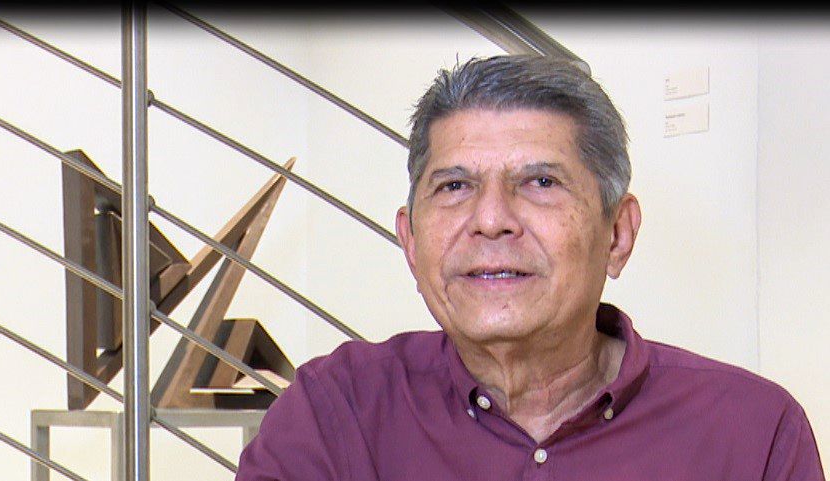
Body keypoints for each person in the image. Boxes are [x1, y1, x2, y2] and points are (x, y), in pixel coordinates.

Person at [235, 55, 825, 480]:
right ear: (410, 241)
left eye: (540, 182)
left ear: (617, 234)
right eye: (455, 185)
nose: (491, 219)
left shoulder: (753, 434)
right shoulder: (331, 415)